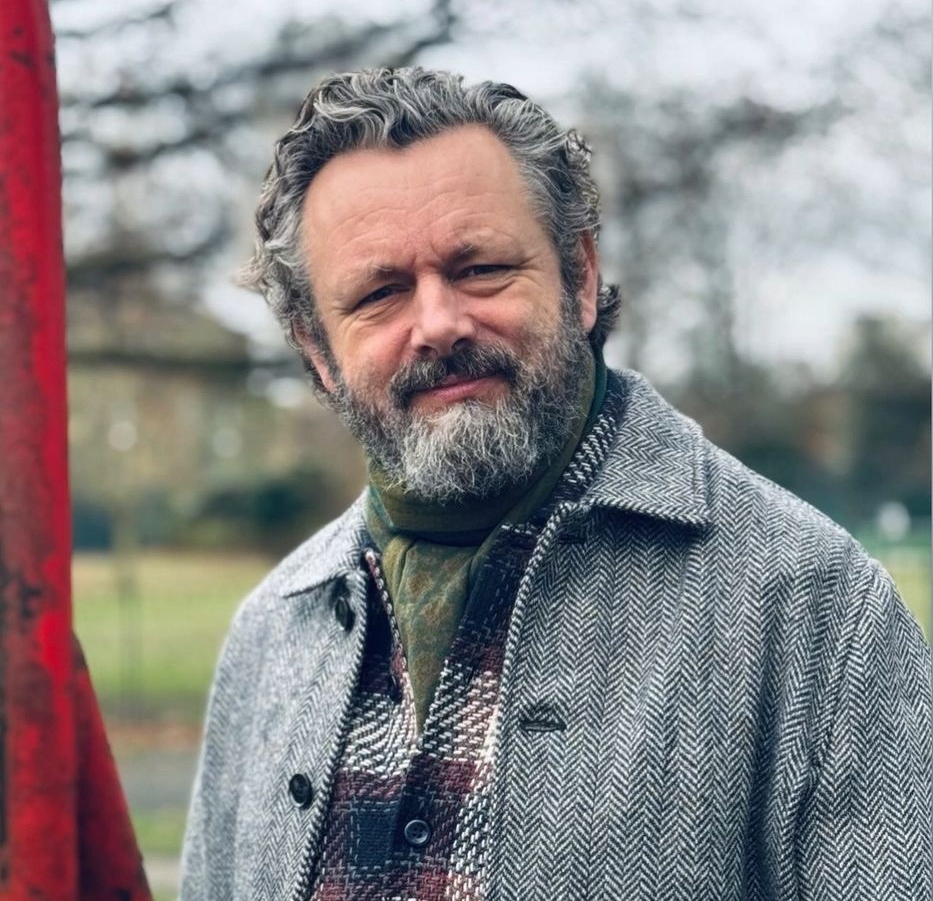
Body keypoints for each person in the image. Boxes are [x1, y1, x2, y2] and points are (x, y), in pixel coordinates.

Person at [180, 67, 932, 901]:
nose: (437, 323)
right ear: (317, 348)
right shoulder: (270, 636)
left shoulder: (814, 611)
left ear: (577, 277)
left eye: (480, 269)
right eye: (380, 292)